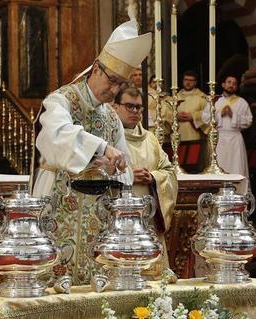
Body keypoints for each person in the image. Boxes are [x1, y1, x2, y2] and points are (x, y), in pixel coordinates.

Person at [33, 19, 150, 285]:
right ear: (96, 68)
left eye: (121, 84)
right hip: (59, 201)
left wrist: (116, 168)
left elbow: (125, 169)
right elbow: (57, 135)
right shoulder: (61, 100)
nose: (115, 90)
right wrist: (100, 147)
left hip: (99, 212)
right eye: (112, 81)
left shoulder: (111, 117)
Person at [112, 86, 177, 276]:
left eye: (138, 107)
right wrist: (128, 176)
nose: (135, 111)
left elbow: (169, 171)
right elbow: (96, 175)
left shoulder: (151, 139)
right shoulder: (107, 138)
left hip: (148, 220)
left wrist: (154, 177)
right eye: (129, 106)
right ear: (115, 107)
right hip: (119, 221)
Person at [202, 75, 253, 186]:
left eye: (234, 83)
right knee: (220, 164)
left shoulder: (241, 102)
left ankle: (238, 192)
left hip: (235, 139)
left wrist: (233, 115)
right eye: (229, 82)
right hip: (219, 138)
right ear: (223, 84)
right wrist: (220, 114)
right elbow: (205, 118)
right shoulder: (215, 101)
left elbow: (249, 121)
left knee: (237, 166)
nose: (231, 85)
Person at [175, 71, 209, 167]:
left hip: (194, 135)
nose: (188, 82)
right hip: (178, 135)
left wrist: (193, 116)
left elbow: (208, 114)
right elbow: (167, 113)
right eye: (186, 80)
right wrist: (176, 116)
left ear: (195, 82)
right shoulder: (175, 96)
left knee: (193, 164)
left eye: (191, 80)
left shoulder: (202, 97)